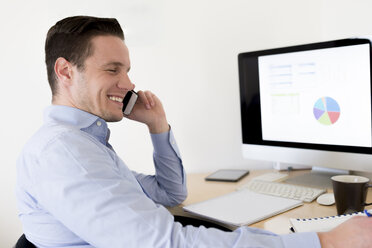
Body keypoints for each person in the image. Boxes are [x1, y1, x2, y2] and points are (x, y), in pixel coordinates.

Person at [15, 15, 372, 248]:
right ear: (65, 71)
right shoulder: (63, 153)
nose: (128, 83)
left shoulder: (87, 145)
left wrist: (158, 127)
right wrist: (324, 241)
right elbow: (166, 243)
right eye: (113, 70)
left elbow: (171, 194)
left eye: (127, 70)